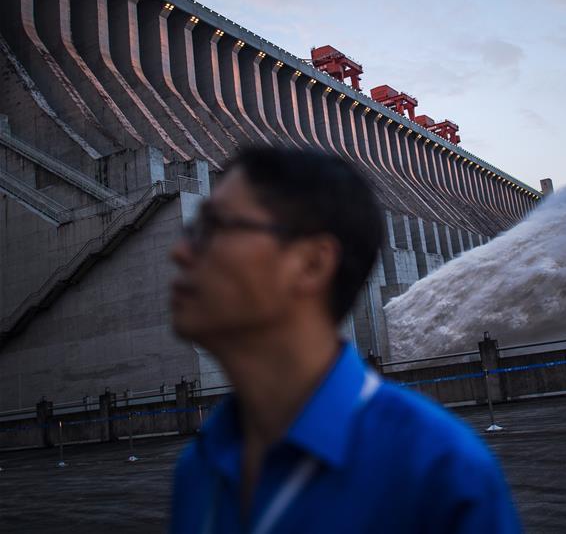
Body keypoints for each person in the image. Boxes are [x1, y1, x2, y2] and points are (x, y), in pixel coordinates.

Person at [168, 147, 521, 534]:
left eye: (215, 228)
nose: (181, 252)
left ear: (312, 263)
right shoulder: (201, 464)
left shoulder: (436, 471)